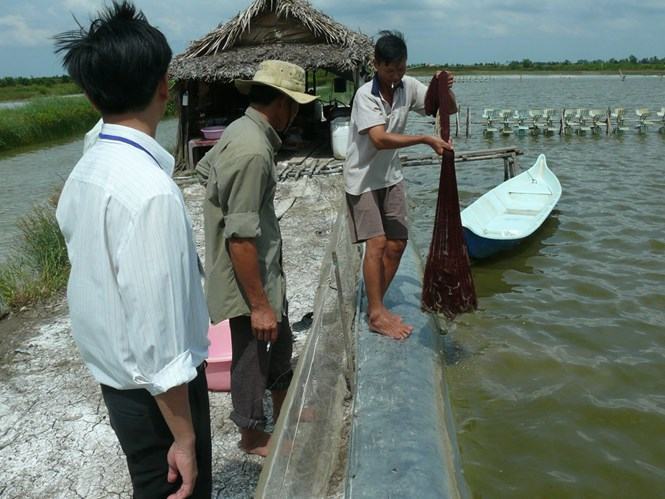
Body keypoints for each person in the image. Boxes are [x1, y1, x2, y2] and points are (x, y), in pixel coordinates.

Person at [54, 2, 211, 497]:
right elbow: (159, 340)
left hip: (120, 384)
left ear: (89, 95)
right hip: (155, 397)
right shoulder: (151, 192)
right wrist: (183, 436)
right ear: (165, 85)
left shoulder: (89, 164)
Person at [196, 60, 317, 457]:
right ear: (282, 103)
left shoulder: (242, 131)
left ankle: (285, 411)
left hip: (264, 268)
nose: (296, 113)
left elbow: (204, 170)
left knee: (279, 342)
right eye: (295, 105)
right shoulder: (252, 151)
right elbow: (241, 238)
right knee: (251, 354)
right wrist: (259, 304)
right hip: (248, 276)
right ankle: (251, 435)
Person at [344, 30, 455, 340]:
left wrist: (443, 89)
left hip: (391, 176)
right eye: (390, 70)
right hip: (363, 179)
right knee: (376, 244)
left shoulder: (408, 87)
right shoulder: (366, 95)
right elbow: (378, 139)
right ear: (376, 64)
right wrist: (424, 138)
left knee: (397, 244)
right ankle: (377, 315)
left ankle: (374, 303)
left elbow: (444, 108)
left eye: (401, 69)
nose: (396, 76)